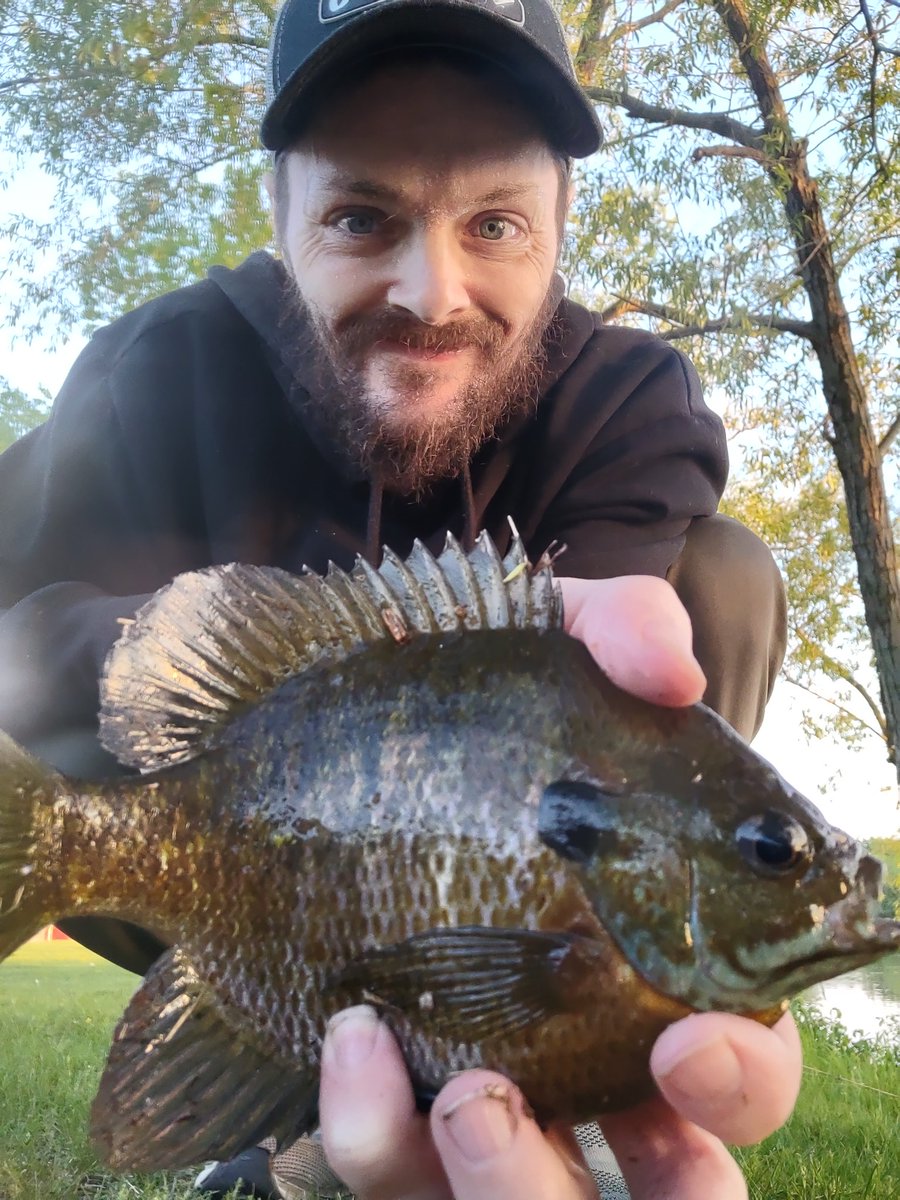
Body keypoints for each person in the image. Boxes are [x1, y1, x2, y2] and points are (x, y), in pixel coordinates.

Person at [0, 0, 797, 1197]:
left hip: (515, 897)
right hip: (208, 848)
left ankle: (561, 1056)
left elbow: (607, 717)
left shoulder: (632, 400)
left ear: (560, 221)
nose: (434, 291)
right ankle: (272, 1066)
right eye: (363, 216)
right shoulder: (155, 368)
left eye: (494, 221)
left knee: (722, 578)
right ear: (280, 213)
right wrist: (227, 657)